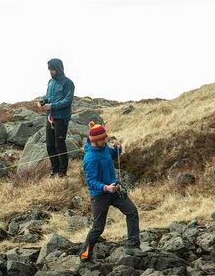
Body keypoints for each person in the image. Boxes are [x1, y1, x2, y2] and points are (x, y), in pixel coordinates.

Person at [79, 122, 140, 261]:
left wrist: (118, 149)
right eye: (103, 139)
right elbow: (91, 182)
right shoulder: (90, 159)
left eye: (106, 138)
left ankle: (133, 246)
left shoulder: (104, 147)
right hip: (100, 195)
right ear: (95, 141)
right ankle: (84, 257)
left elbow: (112, 155)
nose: (105, 141)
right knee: (97, 228)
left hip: (115, 189)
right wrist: (106, 188)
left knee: (132, 212)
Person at [38, 58, 75, 177]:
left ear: (58, 69)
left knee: (59, 145)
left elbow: (68, 100)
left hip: (61, 118)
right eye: (49, 70)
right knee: (50, 145)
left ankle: (62, 173)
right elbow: (49, 97)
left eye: (53, 69)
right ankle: (55, 171)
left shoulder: (68, 83)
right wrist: (43, 101)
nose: (51, 72)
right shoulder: (50, 82)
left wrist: (52, 106)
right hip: (50, 117)